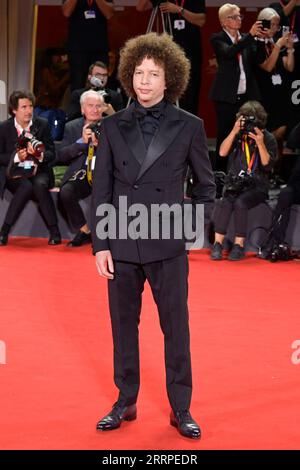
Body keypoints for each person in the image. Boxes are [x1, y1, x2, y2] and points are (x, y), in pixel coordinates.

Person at [91, 32, 215, 439]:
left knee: (176, 328)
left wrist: (188, 229)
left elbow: (205, 187)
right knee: (123, 327)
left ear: (170, 80)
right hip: (122, 240)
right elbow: (101, 188)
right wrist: (101, 245)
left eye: (154, 74)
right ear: (129, 76)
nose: (145, 81)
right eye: (139, 73)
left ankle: (181, 408)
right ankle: (125, 401)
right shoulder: (111, 125)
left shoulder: (190, 126)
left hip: (167, 243)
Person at [210, 100, 277, 261]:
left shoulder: (267, 138)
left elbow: (267, 166)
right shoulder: (238, 134)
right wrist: (233, 131)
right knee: (226, 200)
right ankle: (217, 244)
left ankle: (239, 245)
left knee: (240, 203)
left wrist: (260, 143)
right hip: (236, 182)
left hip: (257, 185)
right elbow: (222, 152)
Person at [0, 90, 61, 246]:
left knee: (39, 185)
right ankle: (4, 231)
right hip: (15, 172)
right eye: (24, 107)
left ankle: (54, 232)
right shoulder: (4, 128)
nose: (28, 111)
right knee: (26, 186)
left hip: (38, 170)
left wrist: (39, 155)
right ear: (14, 110)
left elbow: (51, 153)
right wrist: (16, 157)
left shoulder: (42, 125)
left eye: (31, 106)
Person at [209, 3, 262, 172]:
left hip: (246, 96)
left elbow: (257, 60)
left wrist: (262, 39)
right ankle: (220, 176)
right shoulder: (217, 39)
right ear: (224, 22)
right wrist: (249, 38)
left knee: (248, 136)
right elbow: (228, 53)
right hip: (226, 97)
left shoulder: (247, 38)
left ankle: (246, 173)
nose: (239, 19)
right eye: (234, 16)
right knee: (225, 136)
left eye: (240, 16)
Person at [136, 0, 206, 116]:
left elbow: (201, 20)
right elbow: (140, 7)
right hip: (169, 53)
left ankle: (189, 128)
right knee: (169, 90)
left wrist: (179, 10)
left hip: (191, 52)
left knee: (190, 93)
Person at [57, 90, 105, 246]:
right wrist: (81, 142)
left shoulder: (111, 125)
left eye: (98, 106)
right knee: (66, 192)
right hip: (81, 174)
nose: (95, 109)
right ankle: (85, 231)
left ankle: (104, 237)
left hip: (104, 174)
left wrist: (101, 146)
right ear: (82, 109)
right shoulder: (72, 127)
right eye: (90, 106)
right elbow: (62, 155)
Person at [255, 8, 295, 159]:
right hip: (263, 94)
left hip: (278, 95)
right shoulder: (257, 43)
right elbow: (267, 66)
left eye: (277, 26)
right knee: (269, 132)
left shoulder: (274, 43)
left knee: (282, 129)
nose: (275, 29)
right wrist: (278, 46)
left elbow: (289, 66)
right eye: (273, 25)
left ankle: (273, 169)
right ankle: (262, 161)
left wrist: (290, 49)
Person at [62, 0, 114, 91]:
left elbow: (109, 14)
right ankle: (78, 105)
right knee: (77, 84)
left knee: (99, 84)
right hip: (77, 49)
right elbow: (66, 12)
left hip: (99, 49)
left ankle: (98, 104)